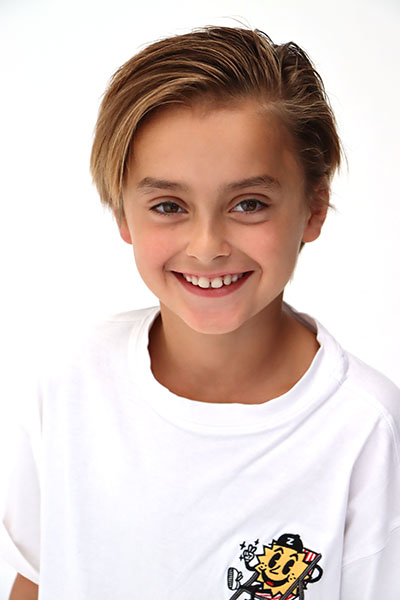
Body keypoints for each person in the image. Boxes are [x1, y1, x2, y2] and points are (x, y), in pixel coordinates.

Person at [1, 26, 399, 600]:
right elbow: (36, 579)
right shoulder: (67, 381)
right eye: (169, 206)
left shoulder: (365, 429)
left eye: (249, 204)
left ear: (313, 208)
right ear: (122, 213)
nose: (207, 246)